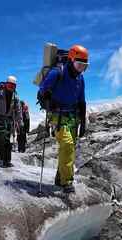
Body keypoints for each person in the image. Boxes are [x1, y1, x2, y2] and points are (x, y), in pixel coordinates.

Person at [38, 45, 88, 193]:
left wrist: (83, 121)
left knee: (70, 148)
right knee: (66, 144)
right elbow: (42, 91)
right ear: (71, 60)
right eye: (79, 65)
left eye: (84, 66)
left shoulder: (80, 78)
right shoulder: (57, 72)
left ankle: (60, 179)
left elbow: (81, 101)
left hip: (72, 116)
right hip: (57, 116)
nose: (81, 69)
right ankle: (67, 182)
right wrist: (48, 99)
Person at [0, 76, 23, 167]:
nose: (11, 88)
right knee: (0, 140)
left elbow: (18, 111)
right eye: (9, 85)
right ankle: (1, 159)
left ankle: (7, 160)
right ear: (6, 85)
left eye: (13, 86)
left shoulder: (15, 98)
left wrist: (20, 123)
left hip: (8, 122)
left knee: (7, 142)